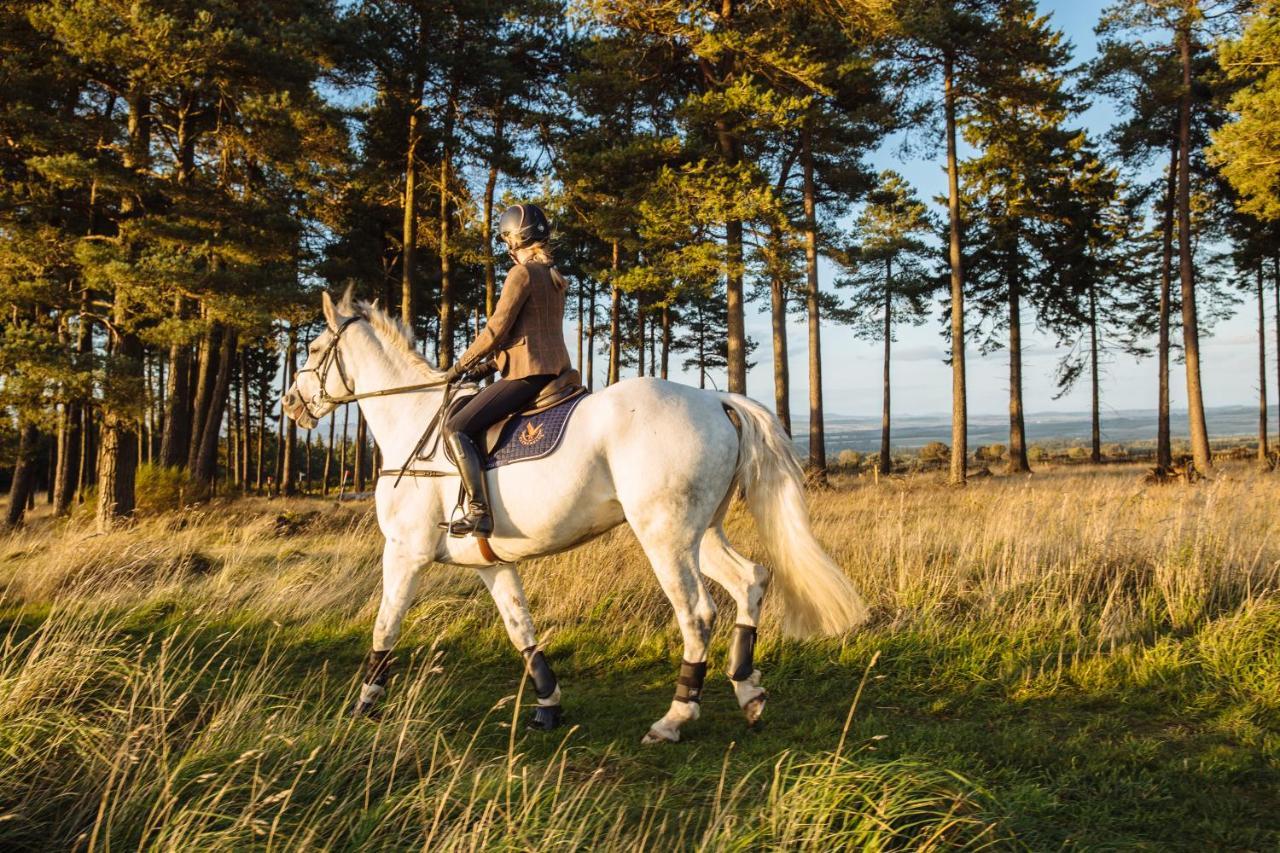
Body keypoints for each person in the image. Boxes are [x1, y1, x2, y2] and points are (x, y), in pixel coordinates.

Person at [440, 203, 573, 537]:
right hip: (554, 371)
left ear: (515, 240)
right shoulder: (554, 277)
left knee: (456, 427)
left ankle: (479, 511)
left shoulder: (522, 273)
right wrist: (485, 367)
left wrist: (459, 366)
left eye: (505, 241)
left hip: (528, 375)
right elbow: (527, 338)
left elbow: (496, 331)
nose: (505, 248)